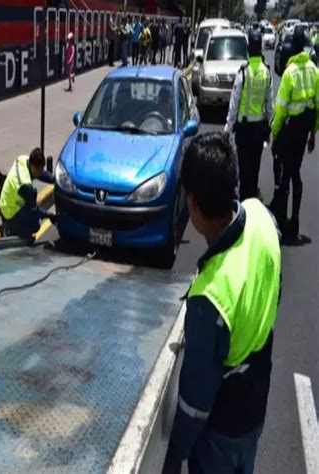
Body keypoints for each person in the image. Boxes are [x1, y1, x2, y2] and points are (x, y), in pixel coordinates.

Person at [163, 132, 281, 474]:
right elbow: (275, 288)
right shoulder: (263, 219)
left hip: (221, 431)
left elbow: (195, 406)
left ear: (195, 205)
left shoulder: (208, 299)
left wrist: (172, 459)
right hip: (255, 408)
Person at [270, 26, 318, 241]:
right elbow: (317, 105)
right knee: (295, 172)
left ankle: (280, 219)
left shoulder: (290, 72)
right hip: (304, 130)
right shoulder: (314, 70)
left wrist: (274, 132)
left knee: (283, 172)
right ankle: (294, 220)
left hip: (289, 129)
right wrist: (313, 134)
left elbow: (280, 108)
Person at [225, 29, 273, 201]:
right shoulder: (266, 71)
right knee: (255, 169)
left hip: (244, 130)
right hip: (259, 130)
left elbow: (234, 103)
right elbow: (270, 104)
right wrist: (269, 127)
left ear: (248, 49)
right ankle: (252, 199)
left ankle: (244, 204)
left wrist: (228, 129)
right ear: (259, 48)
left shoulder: (243, 72)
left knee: (243, 169)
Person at [0, 148, 56, 239]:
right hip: (10, 211)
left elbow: (41, 174)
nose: (40, 173)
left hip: (5, 200)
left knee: (32, 215)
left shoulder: (23, 159)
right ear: (33, 167)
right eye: (39, 170)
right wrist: (49, 216)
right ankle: (8, 229)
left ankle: (12, 226)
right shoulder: (25, 186)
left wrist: (54, 180)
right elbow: (34, 209)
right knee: (35, 225)